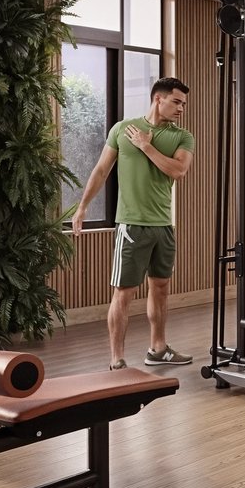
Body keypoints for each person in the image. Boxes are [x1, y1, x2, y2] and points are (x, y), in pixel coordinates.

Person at [72, 77, 195, 370]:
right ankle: (116, 359)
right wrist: (82, 207)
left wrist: (146, 147)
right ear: (158, 99)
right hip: (132, 225)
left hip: (164, 224)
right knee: (124, 292)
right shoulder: (122, 130)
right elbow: (101, 170)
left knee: (161, 287)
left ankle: (158, 348)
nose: (181, 109)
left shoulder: (182, 137)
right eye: (176, 102)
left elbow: (178, 171)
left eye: (183, 104)